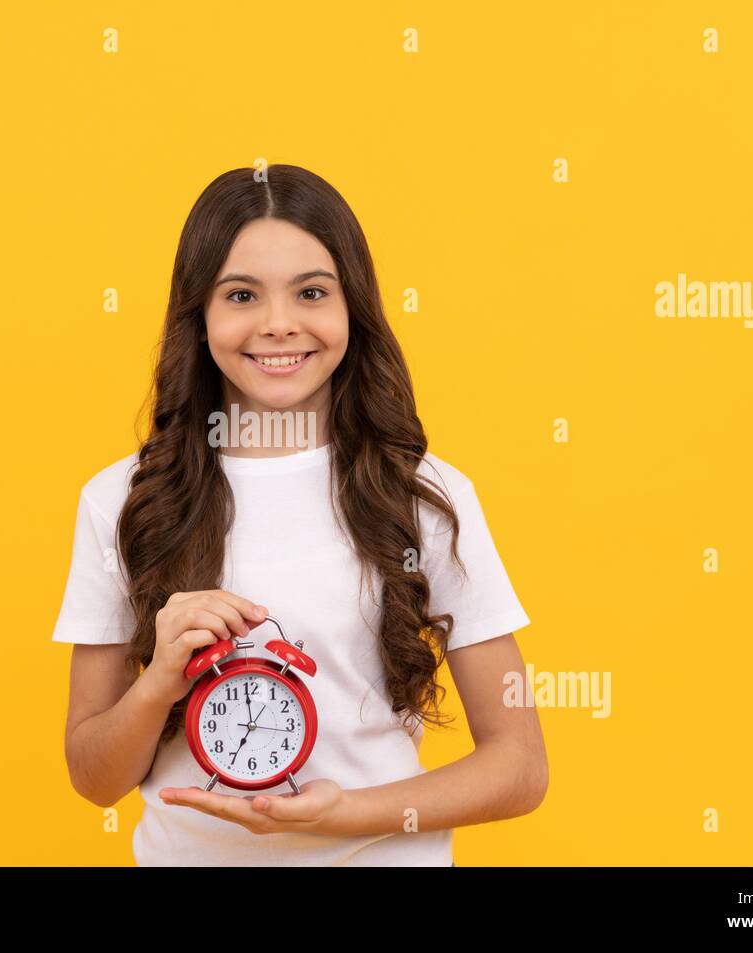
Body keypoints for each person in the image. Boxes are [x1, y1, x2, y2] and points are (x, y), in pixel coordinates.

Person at [52, 164, 548, 865]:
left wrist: (345, 815)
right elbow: (93, 777)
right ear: (199, 315)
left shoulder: (422, 494)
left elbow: (521, 766)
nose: (278, 325)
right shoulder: (123, 501)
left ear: (353, 309)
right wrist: (161, 679)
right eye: (241, 295)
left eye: (311, 292)